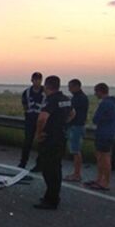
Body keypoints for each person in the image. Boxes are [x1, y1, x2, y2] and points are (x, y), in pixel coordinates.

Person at [33, 76, 74, 210]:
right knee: (56, 168)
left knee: (49, 170)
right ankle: (52, 196)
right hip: (61, 137)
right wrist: (63, 123)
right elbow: (73, 113)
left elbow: (42, 118)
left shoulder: (52, 100)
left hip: (50, 139)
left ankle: (51, 200)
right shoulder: (65, 99)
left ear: (46, 86)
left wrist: (39, 134)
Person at [86, 83, 115, 190]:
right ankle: (100, 179)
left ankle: (105, 182)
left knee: (104, 158)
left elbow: (96, 119)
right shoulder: (113, 103)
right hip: (107, 133)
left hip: (104, 134)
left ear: (100, 91)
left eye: (96, 92)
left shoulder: (105, 104)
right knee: (101, 157)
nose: (95, 94)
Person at [19, 72, 46, 171]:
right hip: (30, 120)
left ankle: (39, 165)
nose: (37, 81)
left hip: (42, 120)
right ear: (32, 80)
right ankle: (23, 163)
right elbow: (25, 105)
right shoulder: (27, 92)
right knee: (27, 142)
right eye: (35, 79)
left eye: (39, 79)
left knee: (41, 143)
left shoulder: (45, 92)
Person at [64, 79, 88, 182]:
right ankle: (76, 173)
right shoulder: (81, 97)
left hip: (76, 127)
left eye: (70, 87)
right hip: (78, 126)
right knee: (75, 151)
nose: (69, 89)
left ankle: (77, 174)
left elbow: (72, 112)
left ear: (76, 86)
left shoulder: (78, 98)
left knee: (76, 151)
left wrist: (66, 121)